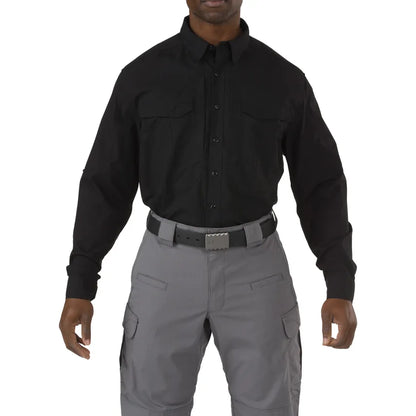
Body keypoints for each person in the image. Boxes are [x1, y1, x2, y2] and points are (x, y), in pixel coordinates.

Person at [59, 1, 358, 415]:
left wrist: (339, 283)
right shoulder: (141, 77)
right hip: (164, 272)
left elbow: (320, 185)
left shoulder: (283, 80)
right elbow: (105, 184)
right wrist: (80, 284)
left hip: (257, 274)